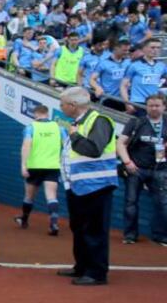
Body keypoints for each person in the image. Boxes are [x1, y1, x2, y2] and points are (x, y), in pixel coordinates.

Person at [57, 87, 118, 286]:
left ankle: (96, 272)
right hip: (78, 185)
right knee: (79, 229)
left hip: (97, 186)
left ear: (73, 106)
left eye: (62, 103)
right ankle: (82, 266)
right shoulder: (78, 123)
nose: (61, 107)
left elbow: (93, 149)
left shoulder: (99, 121)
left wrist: (74, 136)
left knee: (94, 230)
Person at [116, 92, 167, 245]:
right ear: (146, 107)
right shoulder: (136, 122)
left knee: (163, 204)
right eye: (151, 105)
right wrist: (127, 162)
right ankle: (130, 235)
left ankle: (160, 236)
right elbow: (121, 143)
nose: (154, 108)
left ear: (164, 107)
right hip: (137, 169)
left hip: (161, 170)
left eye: (157, 105)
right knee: (131, 202)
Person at [15, 104, 67, 235]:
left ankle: (24, 219)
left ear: (35, 114)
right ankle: (54, 224)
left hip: (34, 166)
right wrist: (61, 162)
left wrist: (23, 165)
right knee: (51, 196)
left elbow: (26, 146)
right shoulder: (59, 128)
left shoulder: (31, 127)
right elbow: (67, 147)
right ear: (47, 114)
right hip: (53, 166)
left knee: (29, 196)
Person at [121, 38, 166, 111]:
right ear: (144, 49)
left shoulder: (161, 66)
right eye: (152, 47)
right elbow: (123, 85)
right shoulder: (134, 65)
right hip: (139, 103)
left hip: (155, 103)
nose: (155, 50)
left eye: (158, 48)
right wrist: (127, 103)